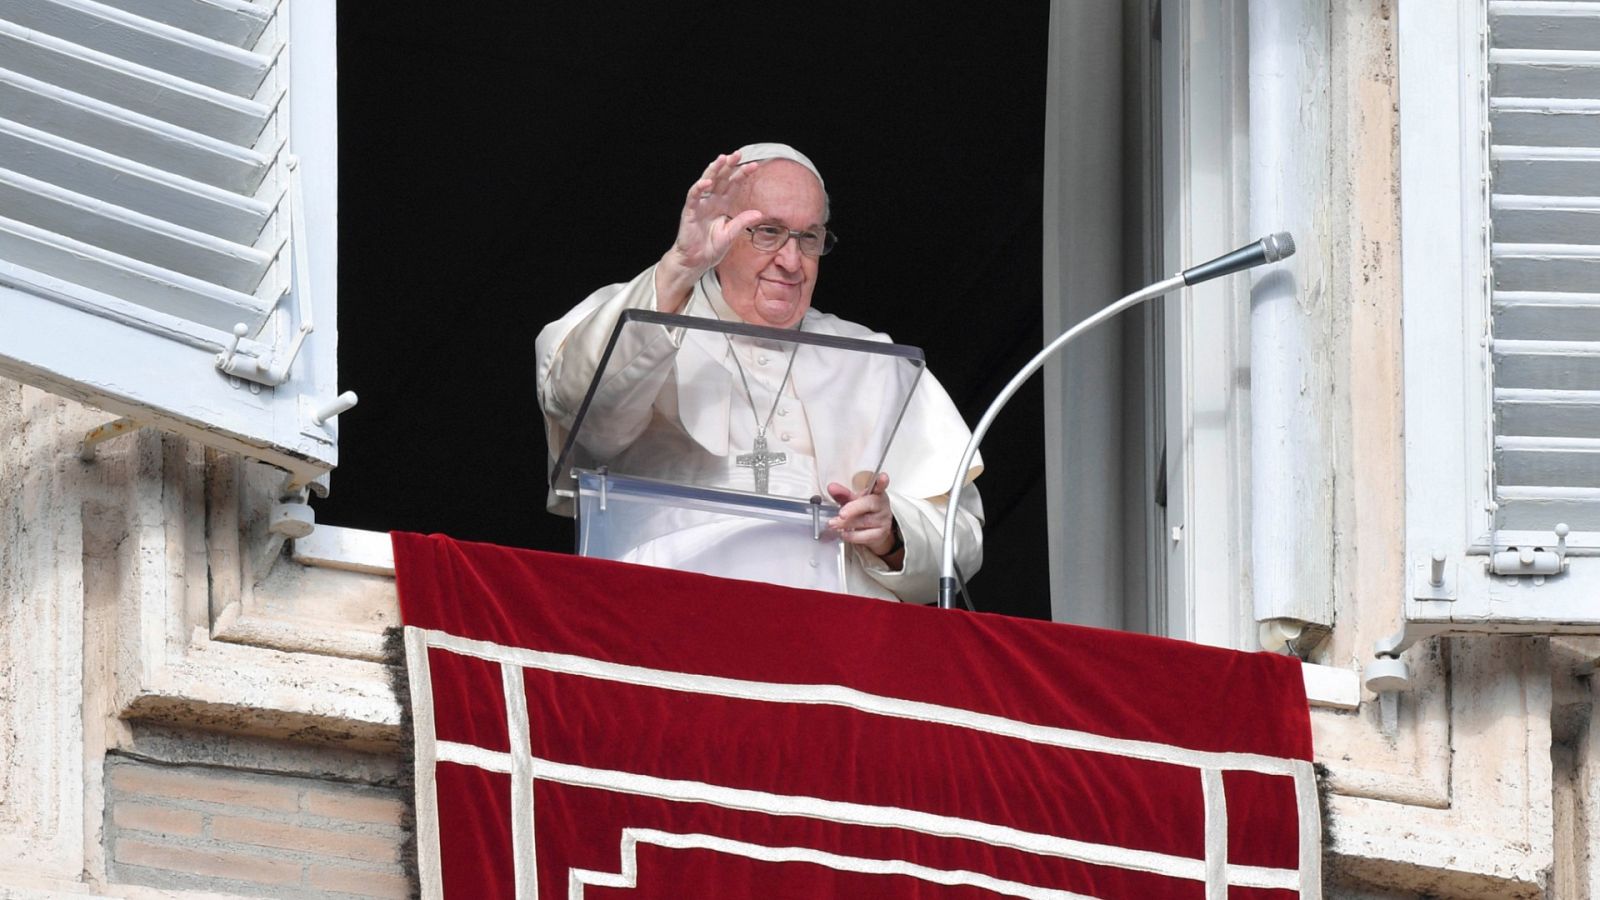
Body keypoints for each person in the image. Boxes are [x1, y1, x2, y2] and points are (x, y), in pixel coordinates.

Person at [535, 143, 982, 602]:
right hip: (670, 611)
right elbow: (585, 414)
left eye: (809, 238)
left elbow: (962, 535)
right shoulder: (641, 308)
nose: (791, 262)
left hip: (840, 637)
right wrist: (680, 268)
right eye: (767, 232)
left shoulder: (875, 360)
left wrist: (892, 535)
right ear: (721, 231)